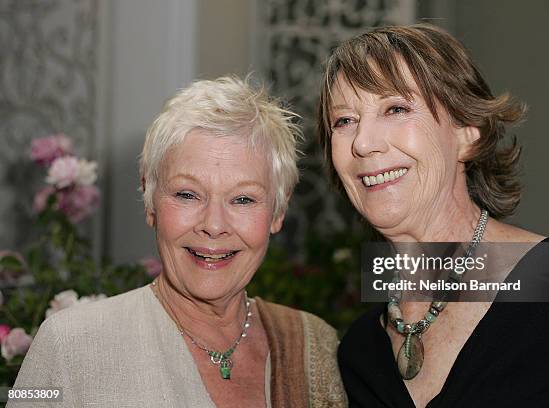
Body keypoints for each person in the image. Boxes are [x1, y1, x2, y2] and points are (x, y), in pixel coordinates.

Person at [317, 24, 549, 407]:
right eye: (344, 121)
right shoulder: (357, 354)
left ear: (467, 130)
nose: (363, 142)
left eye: (396, 108)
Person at [10, 77, 347, 407]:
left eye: (243, 199)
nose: (214, 226)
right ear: (150, 199)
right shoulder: (70, 345)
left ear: (278, 211)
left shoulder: (317, 346)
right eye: (187, 194)